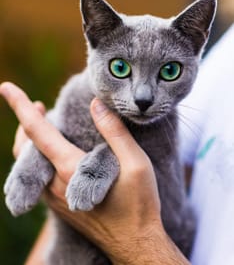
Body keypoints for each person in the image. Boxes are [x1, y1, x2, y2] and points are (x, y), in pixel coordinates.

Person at [1, 23, 234, 264]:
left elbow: (167, 192)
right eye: (121, 68)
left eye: (168, 72)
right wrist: (41, 150)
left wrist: (134, 237)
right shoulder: (229, 49)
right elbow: (63, 157)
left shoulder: (167, 123)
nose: (143, 96)